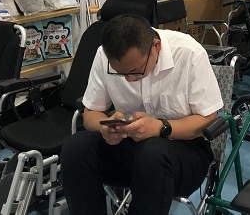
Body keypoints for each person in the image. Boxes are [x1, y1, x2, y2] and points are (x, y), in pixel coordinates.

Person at [60, 15, 222, 215]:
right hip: (131, 148)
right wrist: (104, 127)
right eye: (120, 73)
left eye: (135, 71)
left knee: (152, 154)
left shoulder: (189, 53)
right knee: (75, 148)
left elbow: (208, 118)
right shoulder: (104, 55)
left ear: (156, 47)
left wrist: (161, 127)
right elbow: (91, 112)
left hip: (185, 151)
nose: (129, 79)